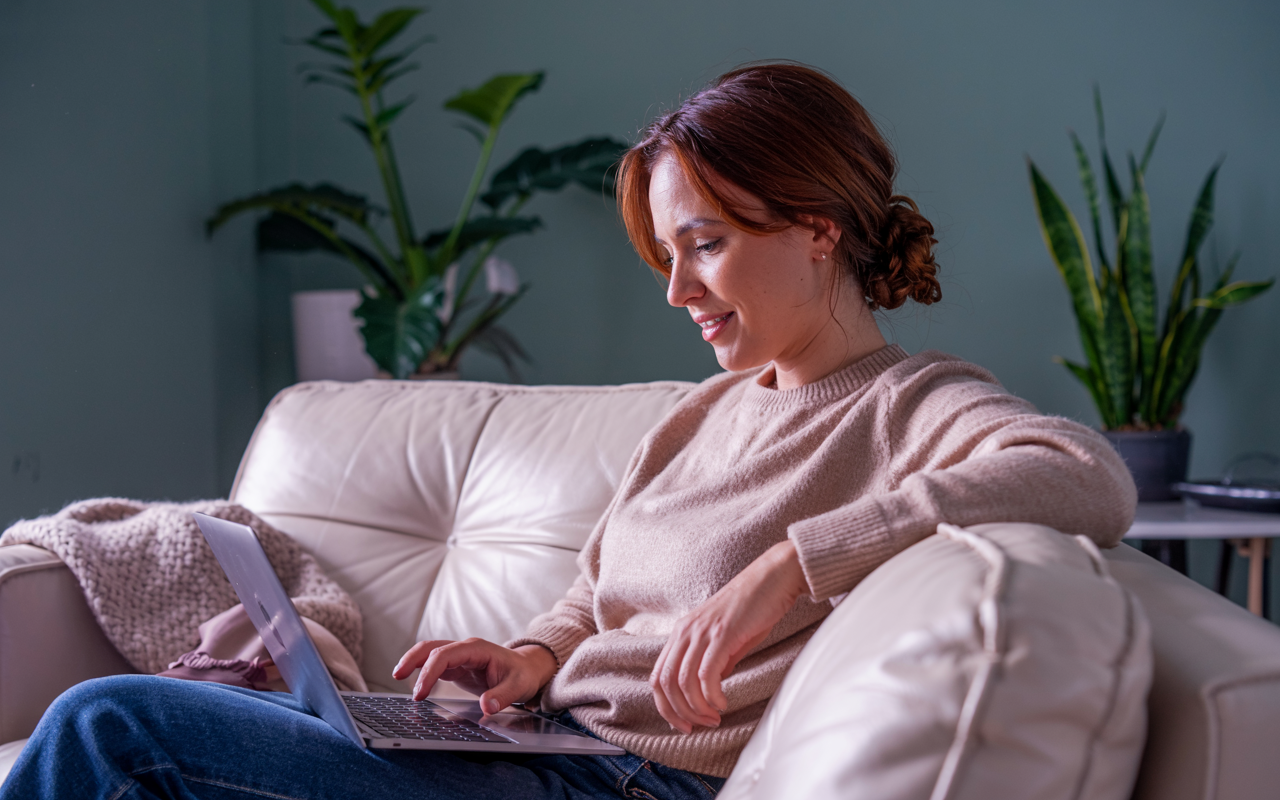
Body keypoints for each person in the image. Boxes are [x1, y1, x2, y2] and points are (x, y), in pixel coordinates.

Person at [0, 62, 1135, 800]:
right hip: (546, 744)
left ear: (815, 230)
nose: (677, 286)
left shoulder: (908, 402)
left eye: (702, 244)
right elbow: (596, 589)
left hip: (629, 786)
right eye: (667, 254)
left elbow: (1082, 475)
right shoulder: (701, 412)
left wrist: (793, 566)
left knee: (110, 726)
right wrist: (531, 655)